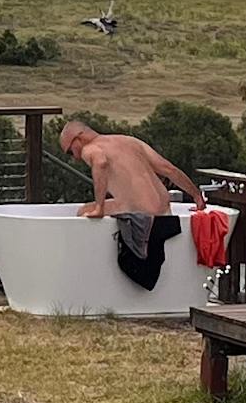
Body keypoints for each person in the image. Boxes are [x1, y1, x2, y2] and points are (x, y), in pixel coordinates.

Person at [60, 119, 203, 291]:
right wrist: (196, 195)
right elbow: (168, 168)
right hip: (165, 211)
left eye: (70, 152)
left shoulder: (90, 149)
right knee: (103, 206)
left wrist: (99, 207)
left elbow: (100, 163)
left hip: (144, 212)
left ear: (79, 138)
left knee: (83, 212)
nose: (75, 158)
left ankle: (90, 279)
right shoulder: (130, 141)